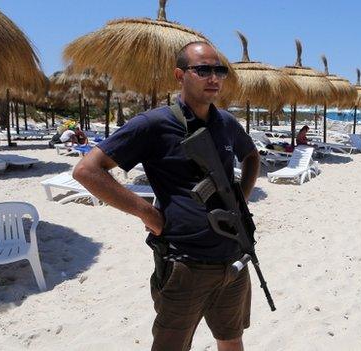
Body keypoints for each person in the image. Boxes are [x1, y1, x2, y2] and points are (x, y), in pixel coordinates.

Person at [73, 41, 261, 351]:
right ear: (180, 75)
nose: (213, 78)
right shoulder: (154, 124)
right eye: (203, 70)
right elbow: (87, 170)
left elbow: (251, 156)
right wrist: (148, 214)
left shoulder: (226, 122)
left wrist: (242, 198)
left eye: (219, 71)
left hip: (233, 259)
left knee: (231, 338)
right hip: (185, 264)